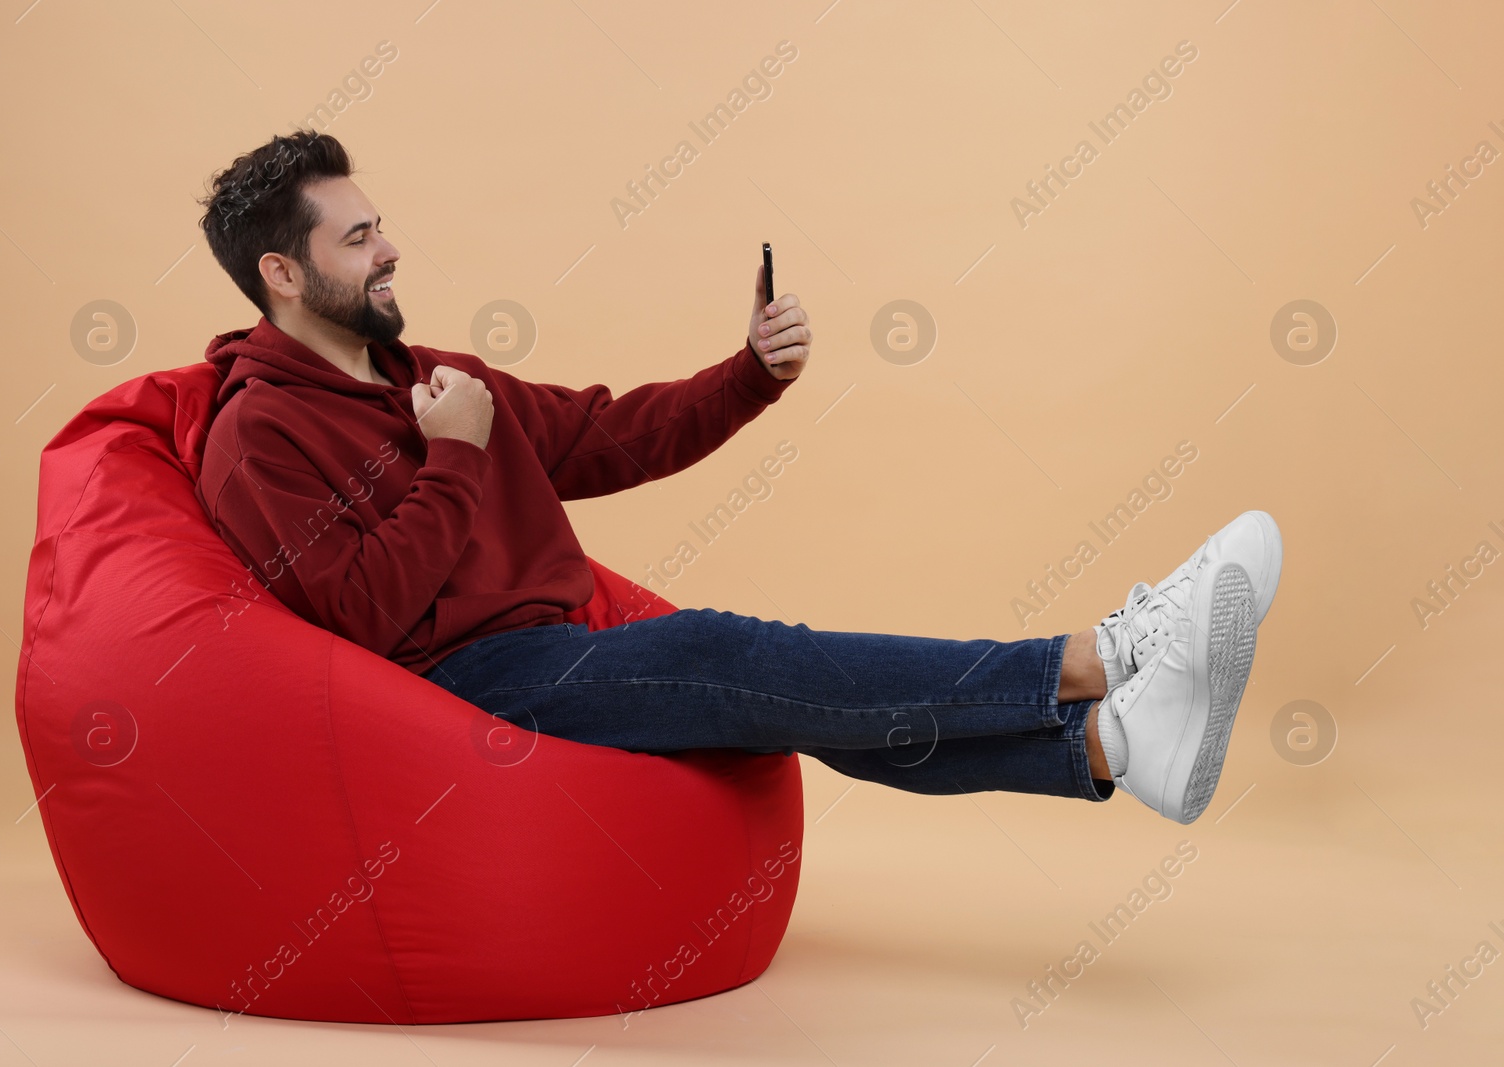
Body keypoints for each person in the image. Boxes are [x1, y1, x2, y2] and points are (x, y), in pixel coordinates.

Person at [194, 130, 1283, 826]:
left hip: (556, 648)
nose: (389, 250)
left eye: (381, 225)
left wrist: (749, 375)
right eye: (358, 238)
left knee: (782, 699)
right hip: (450, 689)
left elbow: (609, 437)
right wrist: (460, 456)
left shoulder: (439, 379)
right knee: (721, 650)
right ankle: (1111, 653)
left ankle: (1117, 745)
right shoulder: (260, 435)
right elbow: (360, 612)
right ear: (282, 275)